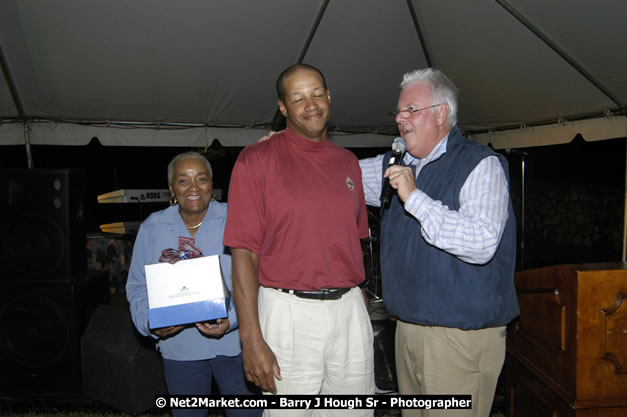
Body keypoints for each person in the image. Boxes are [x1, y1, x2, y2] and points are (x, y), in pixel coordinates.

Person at [359, 68, 519, 417]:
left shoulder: (480, 164)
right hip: (407, 330)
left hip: (459, 338)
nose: (399, 119)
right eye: (398, 111)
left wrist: (415, 198)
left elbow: (482, 242)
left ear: (441, 113)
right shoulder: (396, 165)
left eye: (411, 110)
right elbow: (338, 178)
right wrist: (290, 150)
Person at [223, 63, 375, 416]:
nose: (311, 104)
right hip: (289, 314)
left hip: (349, 311)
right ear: (283, 107)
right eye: (298, 98)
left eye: (317, 94)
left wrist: (359, 303)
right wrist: (251, 339)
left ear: (329, 97)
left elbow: (355, 242)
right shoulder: (256, 160)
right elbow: (243, 254)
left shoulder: (348, 163)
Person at [126, 151, 261, 417]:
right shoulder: (152, 227)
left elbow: (258, 277)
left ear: (212, 184)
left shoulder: (237, 219)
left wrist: (233, 319)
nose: (194, 188)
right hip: (180, 349)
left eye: (201, 178)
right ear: (171, 189)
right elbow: (137, 286)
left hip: (235, 345)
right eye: (183, 180)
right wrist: (149, 323)